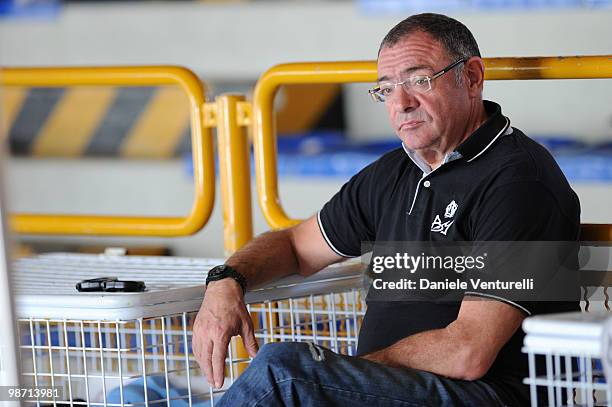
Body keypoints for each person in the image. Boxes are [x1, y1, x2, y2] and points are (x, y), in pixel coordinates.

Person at [192, 13, 580, 406]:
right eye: (386, 89)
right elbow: (296, 245)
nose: (402, 103)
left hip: (485, 395)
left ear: (473, 77)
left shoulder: (519, 181)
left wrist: (342, 374)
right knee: (152, 391)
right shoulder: (394, 174)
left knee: (284, 374)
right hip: (386, 390)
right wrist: (227, 279)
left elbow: (469, 351)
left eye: (419, 80)